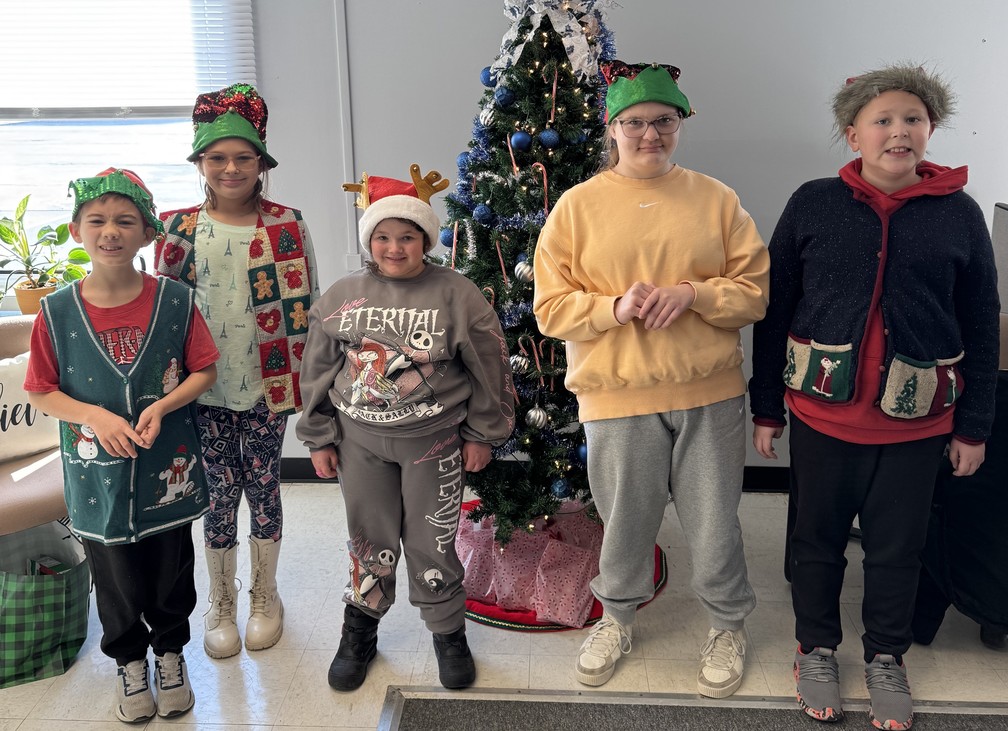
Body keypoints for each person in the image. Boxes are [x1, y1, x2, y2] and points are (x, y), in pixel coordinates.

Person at [749, 64, 1000, 729]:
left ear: (930, 129)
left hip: (917, 429)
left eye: (912, 119)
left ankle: (887, 654)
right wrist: (766, 408)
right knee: (816, 540)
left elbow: (981, 320)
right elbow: (776, 311)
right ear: (851, 131)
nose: (898, 131)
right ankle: (816, 648)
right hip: (823, 419)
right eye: (882, 119)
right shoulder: (812, 203)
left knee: (897, 548)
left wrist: (973, 426)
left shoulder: (960, 216)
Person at [533, 61, 769, 697]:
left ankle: (727, 624)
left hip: (708, 392)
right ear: (612, 129)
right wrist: (613, 308)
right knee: (626, 522)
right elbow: (550, 310)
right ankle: (616, 619)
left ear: (680, 125)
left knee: (716, 520)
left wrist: (692, 295)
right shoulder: (576, 208)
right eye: (633, 123)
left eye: (663, 121)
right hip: (616, 395)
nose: (648, 135)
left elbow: (753, 293)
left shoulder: (716, 199)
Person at [295, 164, 515, 691]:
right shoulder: (343, 297)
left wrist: (483, 434)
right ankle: (360, 630)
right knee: (368, 537)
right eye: (383, 237)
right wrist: (318, 437)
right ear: (370, 241)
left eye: (408, 237)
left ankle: (447, 632)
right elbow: (317, 370)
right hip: (359, 442)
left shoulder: (457, 294)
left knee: (431, 538)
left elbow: (492, 366)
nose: (395, 248)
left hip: (434, 441)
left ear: (426, 240)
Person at [24, 168, 219, 723]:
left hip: (167, 468)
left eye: (125, 221)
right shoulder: (56, 312)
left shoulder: (176, 302)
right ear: (76, 230)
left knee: (170, 566)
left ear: (147, 233)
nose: (111, 231)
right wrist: (92, 416)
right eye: (98, 221)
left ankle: (171, 653)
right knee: (112, 573)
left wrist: (162, 404)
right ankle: (130, 660)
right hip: (96, 475)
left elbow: (203, 369)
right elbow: (40, 389)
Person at [154, 83, 320, 659]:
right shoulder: (175, 231)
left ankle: (264, 595)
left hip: (266, 387)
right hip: (200, 390)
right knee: (218, 495)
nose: (230, 168)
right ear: (201, 163)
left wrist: (314, 391)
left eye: (242, 157)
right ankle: (219, 600)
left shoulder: (287, 225)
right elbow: (161, 319)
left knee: (264, 486)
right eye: (217, 157)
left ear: (261, 164)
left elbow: (310, 312)